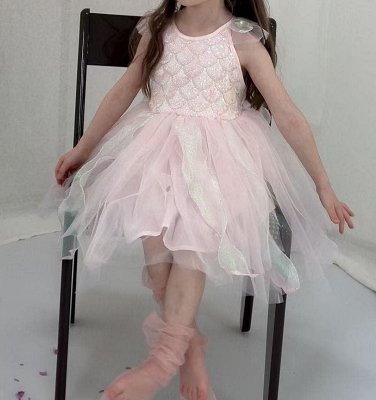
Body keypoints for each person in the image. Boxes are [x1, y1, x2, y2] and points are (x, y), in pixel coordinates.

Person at [38, 0, 355, 399]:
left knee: (196, 231)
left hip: (219, 165)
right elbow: (123, 92)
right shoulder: (159, 30)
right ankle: (190, 348)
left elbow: (287, 115)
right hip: (154, 157)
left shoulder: (243, 42)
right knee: (152, 226)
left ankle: (160, 364)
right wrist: (84, 148)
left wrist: (323, 184)